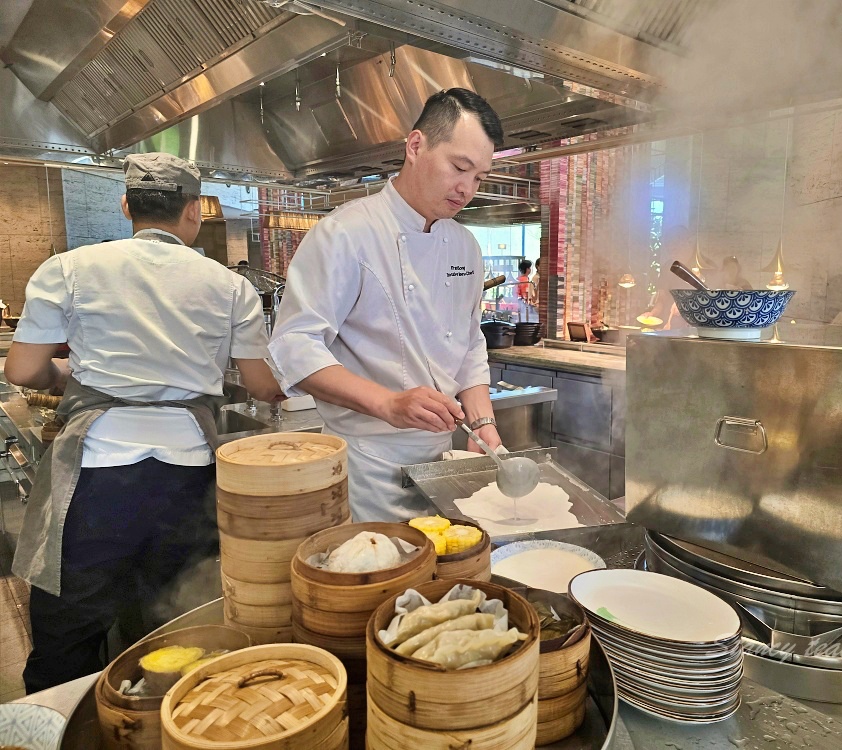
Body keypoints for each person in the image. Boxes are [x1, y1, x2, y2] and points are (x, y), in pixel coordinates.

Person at [4, 152, 284, 692]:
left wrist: (73, 380)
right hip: (188, 477)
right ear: (193, 214)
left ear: (127, 206)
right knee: (176, 628)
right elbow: (263, 385)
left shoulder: (69, 268)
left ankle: (63, 724)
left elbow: (24, 369)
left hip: (96, 474)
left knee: (69, 633)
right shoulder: (231, 286)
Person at [268, 88, 505, 523]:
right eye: (459, 167)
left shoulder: (466, 246)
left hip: (440, 461)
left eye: (479, 178)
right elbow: (294, 346)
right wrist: (389, 404)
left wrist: (483, 422)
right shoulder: (346, 233)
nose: (466, 189)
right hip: (366, 466)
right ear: (416, 146)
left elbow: (470, 345)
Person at [516, 258, 533, 322]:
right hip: (523, 302)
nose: (530, 270)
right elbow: (524, 293)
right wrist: (527, 301)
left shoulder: (520, 278)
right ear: (525, 269)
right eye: (528, 268)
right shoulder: (524, 280)